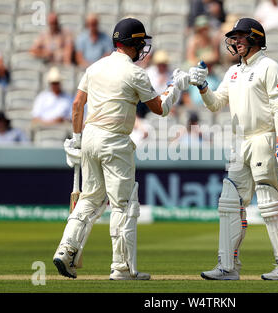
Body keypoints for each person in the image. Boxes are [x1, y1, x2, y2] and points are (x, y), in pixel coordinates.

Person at [52, 18, 189, 280]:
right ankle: (122, 268)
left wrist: (76, 139)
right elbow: (160, 109)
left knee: (89, 199)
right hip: (114, 140)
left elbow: (77, 105)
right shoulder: (135, 73)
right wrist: (175, 86)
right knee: (123, 205)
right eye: (141, 43)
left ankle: (65, 250)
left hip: (90, 138)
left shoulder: (95, 67)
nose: (143, 48)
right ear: (133, 43)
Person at [188, 17, 278, 280]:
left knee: (270, 203)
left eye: (239, 36)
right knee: (228, 203)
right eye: (234, 37)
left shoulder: (269, 66)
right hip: (239, 142)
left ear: (254, 38)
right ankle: (228, 267)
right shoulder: (233, 72)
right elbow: (215, 104)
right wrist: (203, 87)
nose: (235, 41)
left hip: (264, 138)